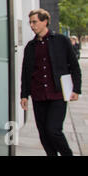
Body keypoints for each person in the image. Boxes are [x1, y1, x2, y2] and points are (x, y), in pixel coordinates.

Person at [20, 9, 82, 156]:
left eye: (34, 22)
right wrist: (24, 95)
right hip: (38, 95)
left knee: (53, 130)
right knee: (43, 133)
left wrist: (76, 89)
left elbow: (74, 66)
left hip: (57, 94)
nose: (32, 25)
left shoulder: (61, 40)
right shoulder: (30, 46)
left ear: (45, 21)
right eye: (30, 22)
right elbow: (26, 72)